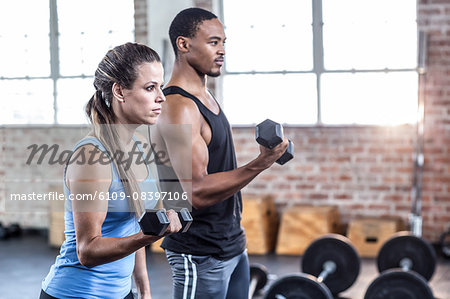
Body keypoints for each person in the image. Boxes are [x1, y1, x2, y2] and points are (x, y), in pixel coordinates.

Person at [153, 8, 289, 299]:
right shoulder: (177, 107)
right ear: (183, 44)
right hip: (199, 252)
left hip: (231, 244)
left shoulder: (205, 97)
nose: (222, 50)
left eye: (224, 42)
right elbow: (195, 192)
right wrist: (261, 162)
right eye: (214, 42)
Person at [40, 42, 182, 299]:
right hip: (75, 293)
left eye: (160, 86)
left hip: (121, 293)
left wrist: (144, 291)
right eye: (150, 88)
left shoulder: (139, 146)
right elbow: (87, 252)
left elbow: (134, 223)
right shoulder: (92, 157)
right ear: (119, 91)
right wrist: (148, 236)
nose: (161, 96)